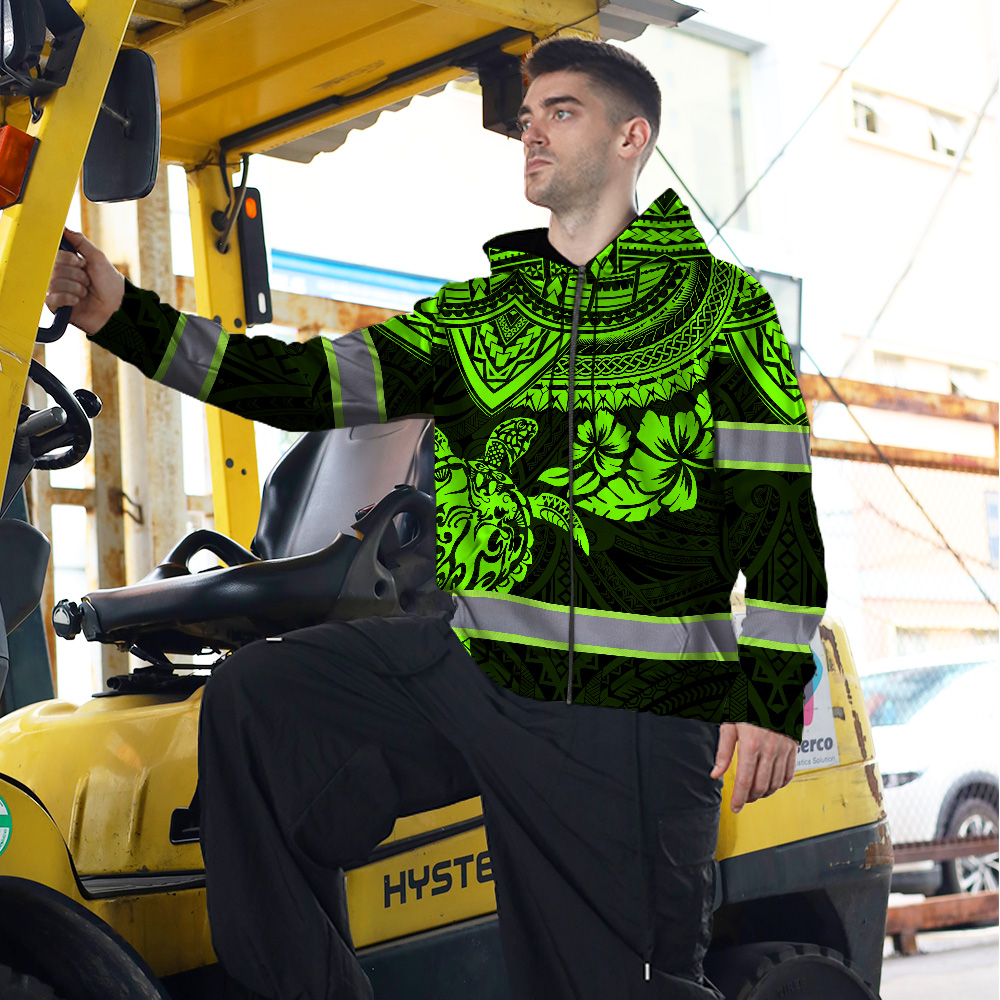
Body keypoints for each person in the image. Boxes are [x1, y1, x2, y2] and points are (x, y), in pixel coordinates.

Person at [46, 34, 827, 1000]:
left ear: (633, 139)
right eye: (529, 115)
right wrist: (121, 314)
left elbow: (777, 510)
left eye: (563, 112)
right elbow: (293, 383)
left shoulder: (720, 312)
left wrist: (770, 688)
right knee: (261, 702)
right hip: (475, 669)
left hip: (630, 708)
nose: (532, 132)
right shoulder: (476, 321)